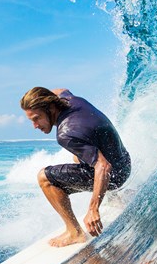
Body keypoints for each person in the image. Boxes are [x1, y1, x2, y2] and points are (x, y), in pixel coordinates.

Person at [20, 87, 131, 247]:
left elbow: (103, 166)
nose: (35, 125)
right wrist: (38, 97)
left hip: (115, 176)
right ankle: (115, 197)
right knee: (79, 154)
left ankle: (75, 232)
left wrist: (93, 209)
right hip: (124, 162)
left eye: (37, 118)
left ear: (50, 107)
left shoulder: (66, 134)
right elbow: (61, 89)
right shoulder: (69, 99)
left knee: (44, 178)